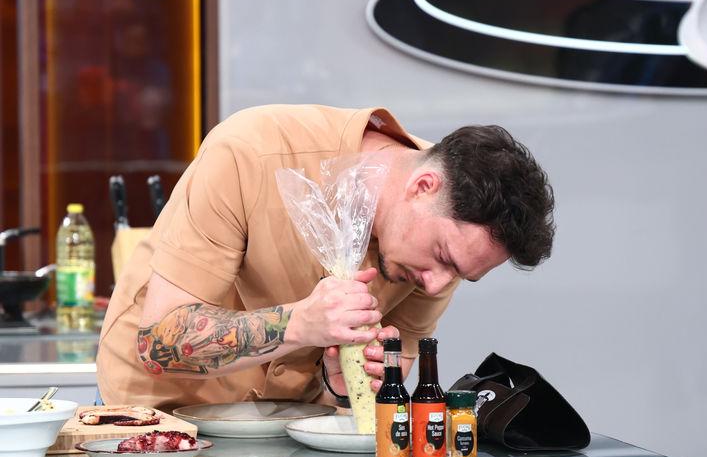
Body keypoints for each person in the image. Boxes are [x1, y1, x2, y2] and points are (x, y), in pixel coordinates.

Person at [96, 104, 555, 410]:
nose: (437, 284)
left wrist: (342, 387)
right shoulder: (250, 153)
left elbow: (369, 403)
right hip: (159, 421)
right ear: (422, 187)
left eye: (460, 276)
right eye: (444, 258)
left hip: (288, 447)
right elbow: (160, 344)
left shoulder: (446, 251)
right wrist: (298, 325)